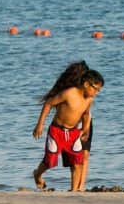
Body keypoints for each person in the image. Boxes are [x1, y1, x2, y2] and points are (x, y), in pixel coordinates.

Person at [32, 61, 104, 191]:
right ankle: (37, 174)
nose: (97, 93)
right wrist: (40, 124)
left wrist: (85, 129)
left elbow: (86, 115)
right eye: (96, 89)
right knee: (50, 161)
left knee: (77, 162)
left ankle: (74, 191)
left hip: (73, 133)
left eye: (99, 90)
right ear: (86, 84)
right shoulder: (69, 93)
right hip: (56, 131)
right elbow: (48, 103)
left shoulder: (89, 100)